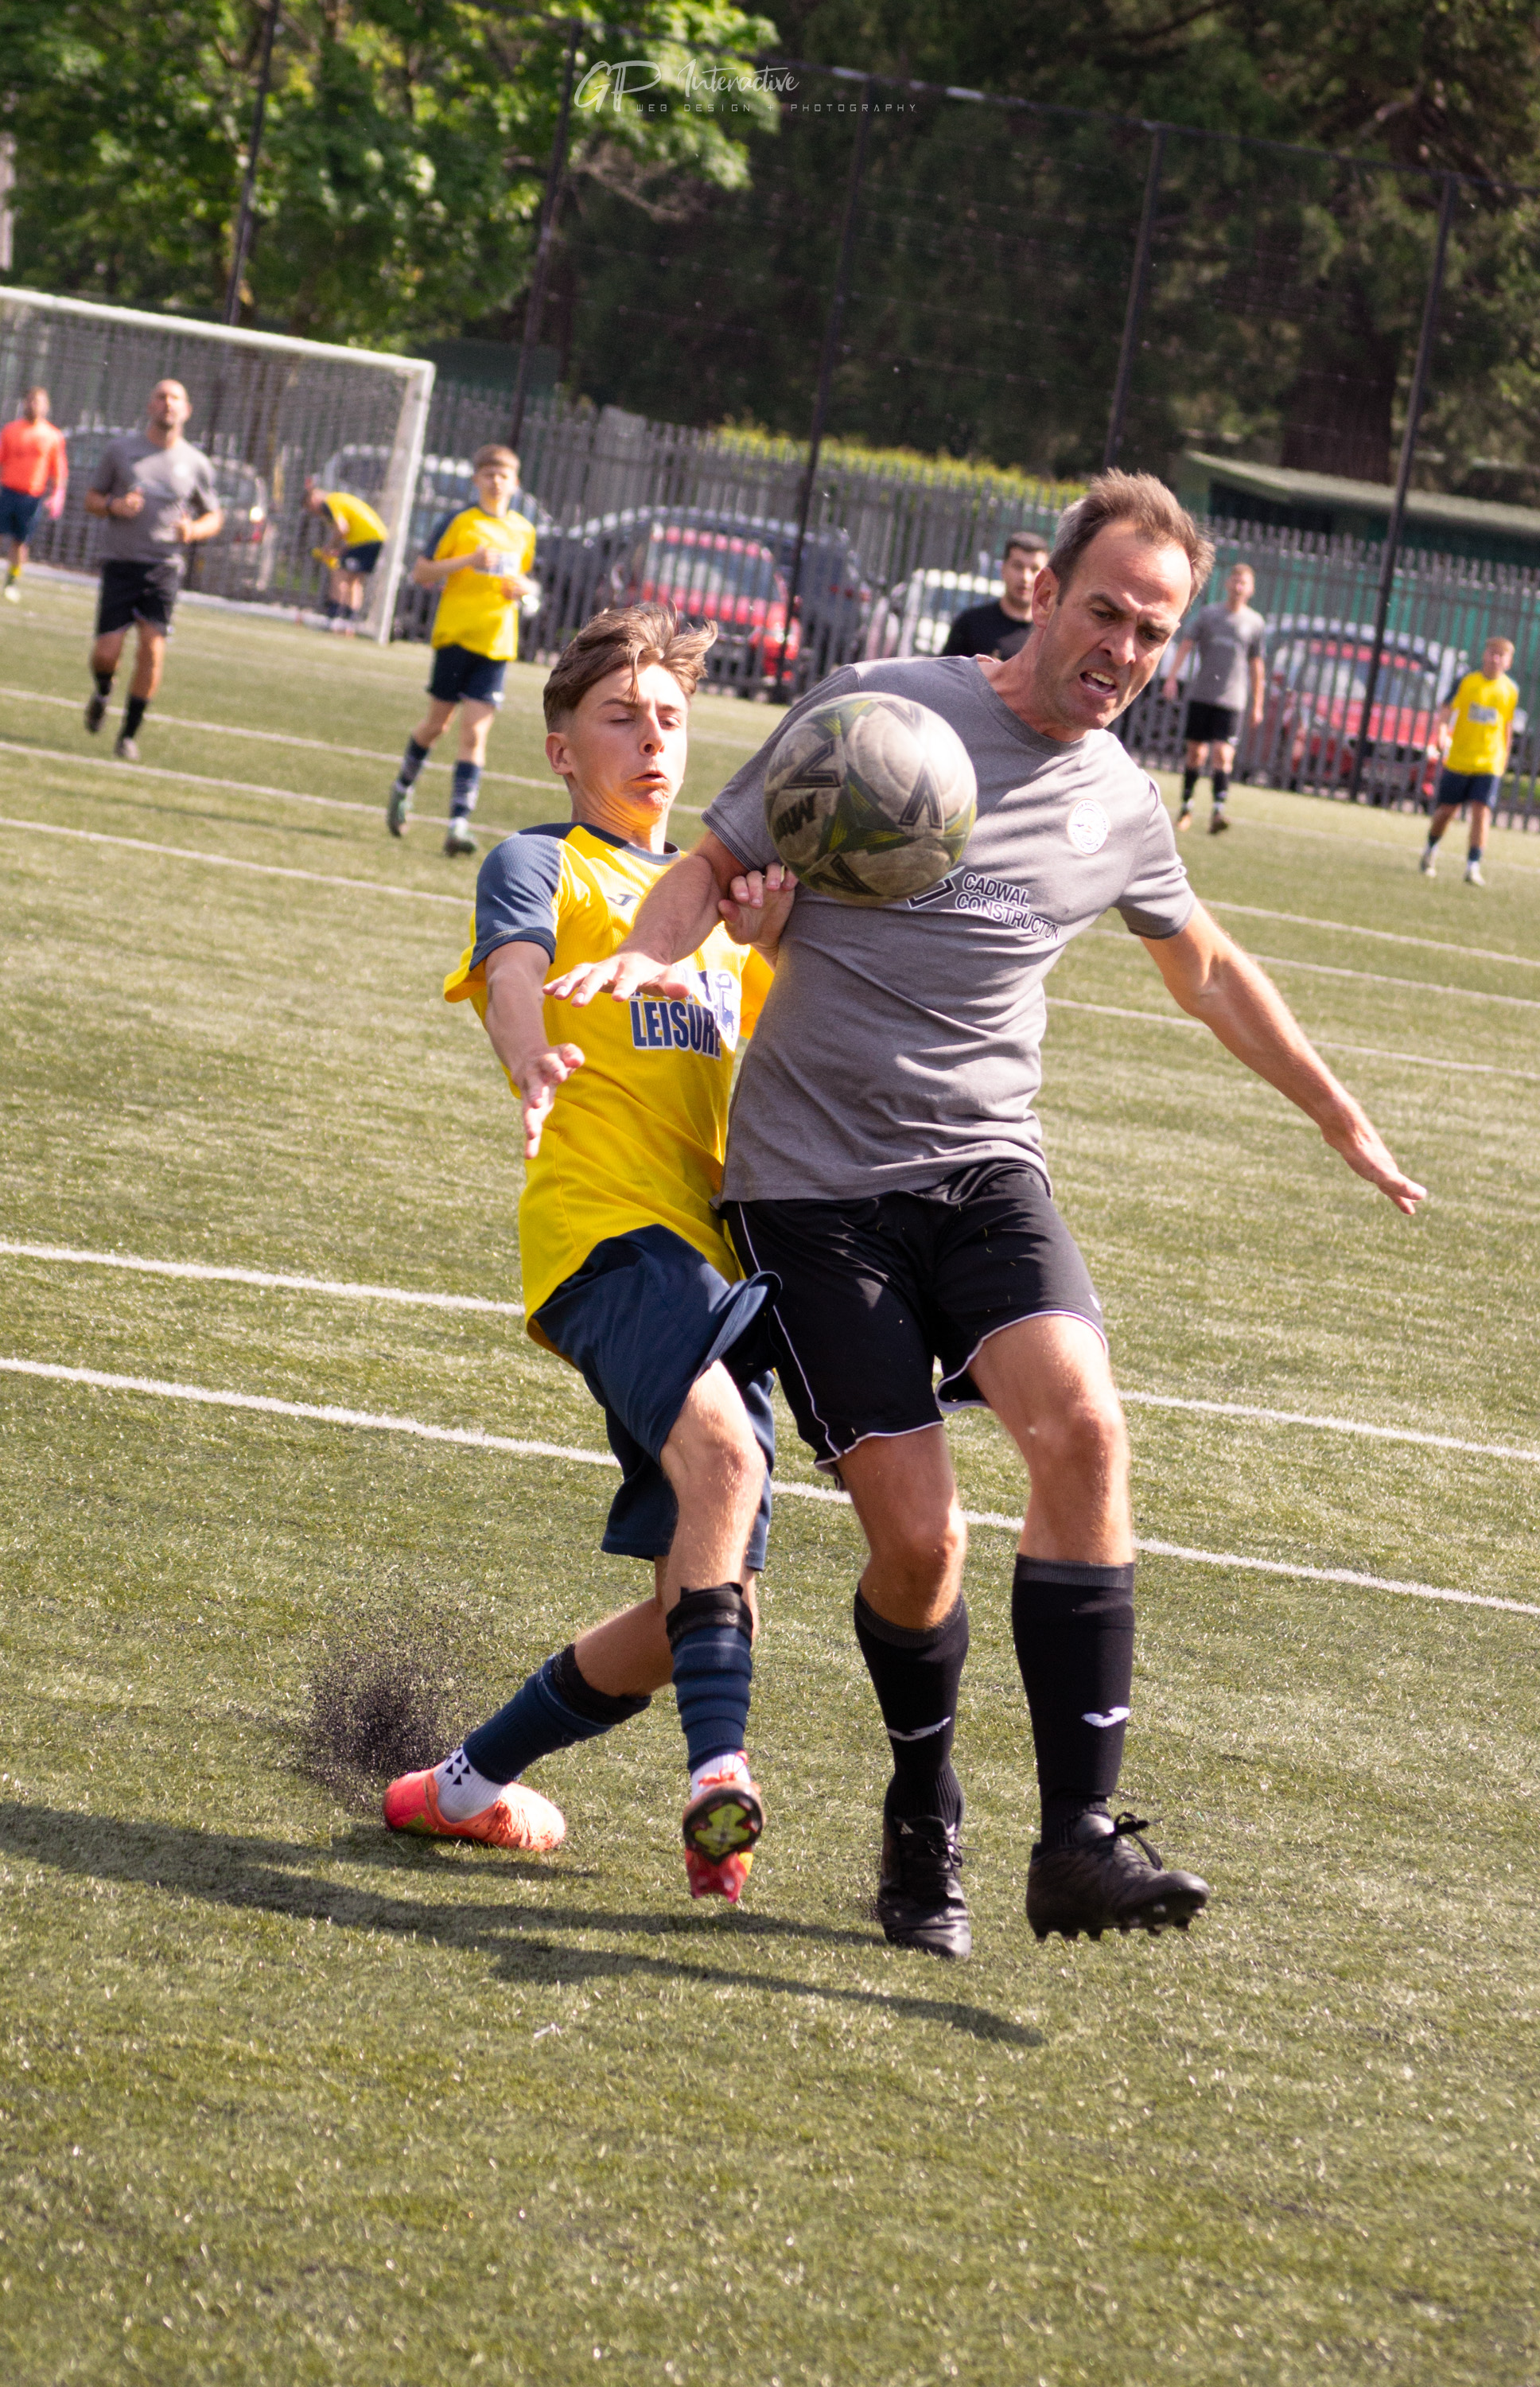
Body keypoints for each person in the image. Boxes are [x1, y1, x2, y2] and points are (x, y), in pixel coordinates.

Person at [550, 470, 1425, 1958]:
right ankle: (922, 1806)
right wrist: (651, 954)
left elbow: (1206, 967)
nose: (1124, 649)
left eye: (1154, 631)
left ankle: (1079, 1836)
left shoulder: (1122, 802)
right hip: (813, 1189)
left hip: (983, 1170)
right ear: (1045, 595)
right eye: (1106, 612)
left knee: (1085, 1431)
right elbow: (711, 866)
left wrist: (1337, 1113)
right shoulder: (877, 713)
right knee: (922, 1546)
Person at [383, 602, 793, 1904]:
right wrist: (529, 1060)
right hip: (604, 1236)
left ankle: (457, 1789)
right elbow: (514, 971)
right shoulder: (541, 863)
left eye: (670, 717)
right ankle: (719, 1784)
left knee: (698, 1609)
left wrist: (780, 935)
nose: (652, 739)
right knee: (726, 1460)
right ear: (563, 748)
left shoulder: (721, 911)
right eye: (621, 717)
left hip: (722, 1274)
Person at [385, 443, 536, 856]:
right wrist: (468, 560)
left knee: (475, 733)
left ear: (515, 483)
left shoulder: (524, 530)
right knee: (438, 725)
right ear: (476, 479)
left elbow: (524, 582)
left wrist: (524, 590)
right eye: (489, 474)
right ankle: (403, 786)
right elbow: (421, 572)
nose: (496, 481)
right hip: (455, 636)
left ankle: (458, 824)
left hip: (497, 642)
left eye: (504, 475)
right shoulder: (459, 521)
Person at [82, 380, 223, 761]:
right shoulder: (121, 451)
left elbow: (214, 516)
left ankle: (128, 735)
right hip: (121, 564)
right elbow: (91, 499)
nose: (168, 404)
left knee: (152, 650)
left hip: (164, 569)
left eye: (175, 398)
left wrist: (193, 530)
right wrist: (114, 506)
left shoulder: (196, 463)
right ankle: (103, 691)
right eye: (161, 397)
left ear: (187, 410)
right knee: (106, 654)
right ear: (150, 405)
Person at [1165, 560, 1266, 833]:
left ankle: (1218, 812)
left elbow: (1257, 666)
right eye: (1235, 581)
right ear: (1227, 583)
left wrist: (1257, 704)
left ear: (1251, 589)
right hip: (1203, 694)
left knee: (1223, 754)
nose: (1238, 587)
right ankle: (1186, 808)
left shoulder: (1255, 623)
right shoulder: (1209, 615)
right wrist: (1172, 677)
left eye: (1244, 583)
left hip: (1233, 699)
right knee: (1196, 753)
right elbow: (1186, 644)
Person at [1421, 635, 1518, 886]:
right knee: (1446, 812)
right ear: (1484, 655)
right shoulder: (1466, 682)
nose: (1495, 659)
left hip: (1489, 762)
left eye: (1501, 655)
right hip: (1460, 759)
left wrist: (1504, 757)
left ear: (1508, 662)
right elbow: (1446, 711)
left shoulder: (1510, 690)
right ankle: (1430, 849)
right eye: (1492, 653)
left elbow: (1507, 726)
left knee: (1481, 812)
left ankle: (1473, 866)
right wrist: (1441, 733)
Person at [0, 387, 68, 603]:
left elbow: (58, 470)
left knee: (20, 543)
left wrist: (57, 495)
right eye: (30, 400)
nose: (33, 405)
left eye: (38, 401)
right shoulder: (11, 430)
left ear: (46, 406)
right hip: (8, 492)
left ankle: (11, 583)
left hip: (32, 497)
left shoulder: (52, 435)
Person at [942, 530, 1049, 661]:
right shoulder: (970, 624)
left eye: (1034, 569)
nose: (1025, 578)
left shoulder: (1050, 634)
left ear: (1045, 577)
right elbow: (945, 671)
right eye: (1018, 566)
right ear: (1003, 569)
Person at [305, 481, 387, 631]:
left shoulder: (331, 502)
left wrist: (329, 547)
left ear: (313, 499)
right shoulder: (339, 498)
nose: (314, 512)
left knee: (340, 575)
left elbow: (342, 528)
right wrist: (343, 549)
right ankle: (350, 623)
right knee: (354, 581)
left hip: (365, 540)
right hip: (374, 538)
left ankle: (333, 618)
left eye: (310, 507)